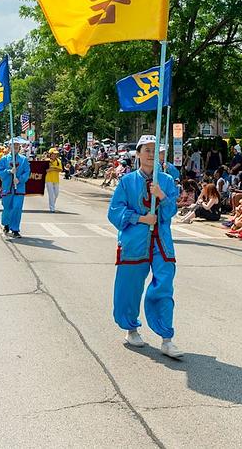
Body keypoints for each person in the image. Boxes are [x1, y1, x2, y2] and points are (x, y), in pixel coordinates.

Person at [108, 134, 182, 359]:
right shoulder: (127, 181)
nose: (151, 154)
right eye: (146, 150)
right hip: (135, 242)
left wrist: (162, 196)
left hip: (161, 242)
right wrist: (140, 219)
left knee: (164, 285)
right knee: (129, 287)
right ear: (138, 154)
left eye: (154, 150)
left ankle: (166, 338)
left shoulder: (167, 181)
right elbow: (114, 211)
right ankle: (131, 328)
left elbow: (171, 212)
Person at [0, 139, 31, 237]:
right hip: (7, 188)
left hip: (19, 188)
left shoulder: (24, 159)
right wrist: (9, 171)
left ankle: (15, 229)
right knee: (7, 208)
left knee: (17, 207)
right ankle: (6, 224)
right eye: (13, 146)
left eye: (17, 146)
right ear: (9, 147)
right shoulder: (4, 159)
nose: (15, 147)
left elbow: (27, 172)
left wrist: (20, 179)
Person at [44, 147, 63, 213]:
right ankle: (52, 208)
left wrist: (53, 168)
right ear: (50, 154)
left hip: (56, 179)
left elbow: (60, 169)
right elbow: (45, 170)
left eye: (56, 154)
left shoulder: (58, 161)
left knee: (56, 194)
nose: (55, 155)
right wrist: (53, 169)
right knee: (51, 194)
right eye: (54, 154)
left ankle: (52, 204)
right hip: (48, 179)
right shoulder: (46, 161)